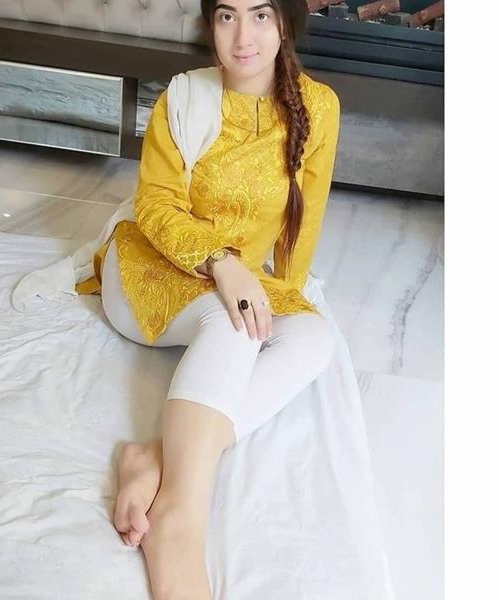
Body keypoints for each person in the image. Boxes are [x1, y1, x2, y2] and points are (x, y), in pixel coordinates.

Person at [80, 1, 341, 598]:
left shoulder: (319, 107)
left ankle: (153, 456)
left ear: (285, 23)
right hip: (152, 266)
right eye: (226, 16)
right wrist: (223, 265)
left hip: (236, 278)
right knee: (235, 322)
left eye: (260, 15)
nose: (242, 36)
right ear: (210, 25)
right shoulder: (186, 97)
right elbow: (154, 206)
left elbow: (307, 215)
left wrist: (287, 292)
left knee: (314, 337)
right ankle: (179, 515)